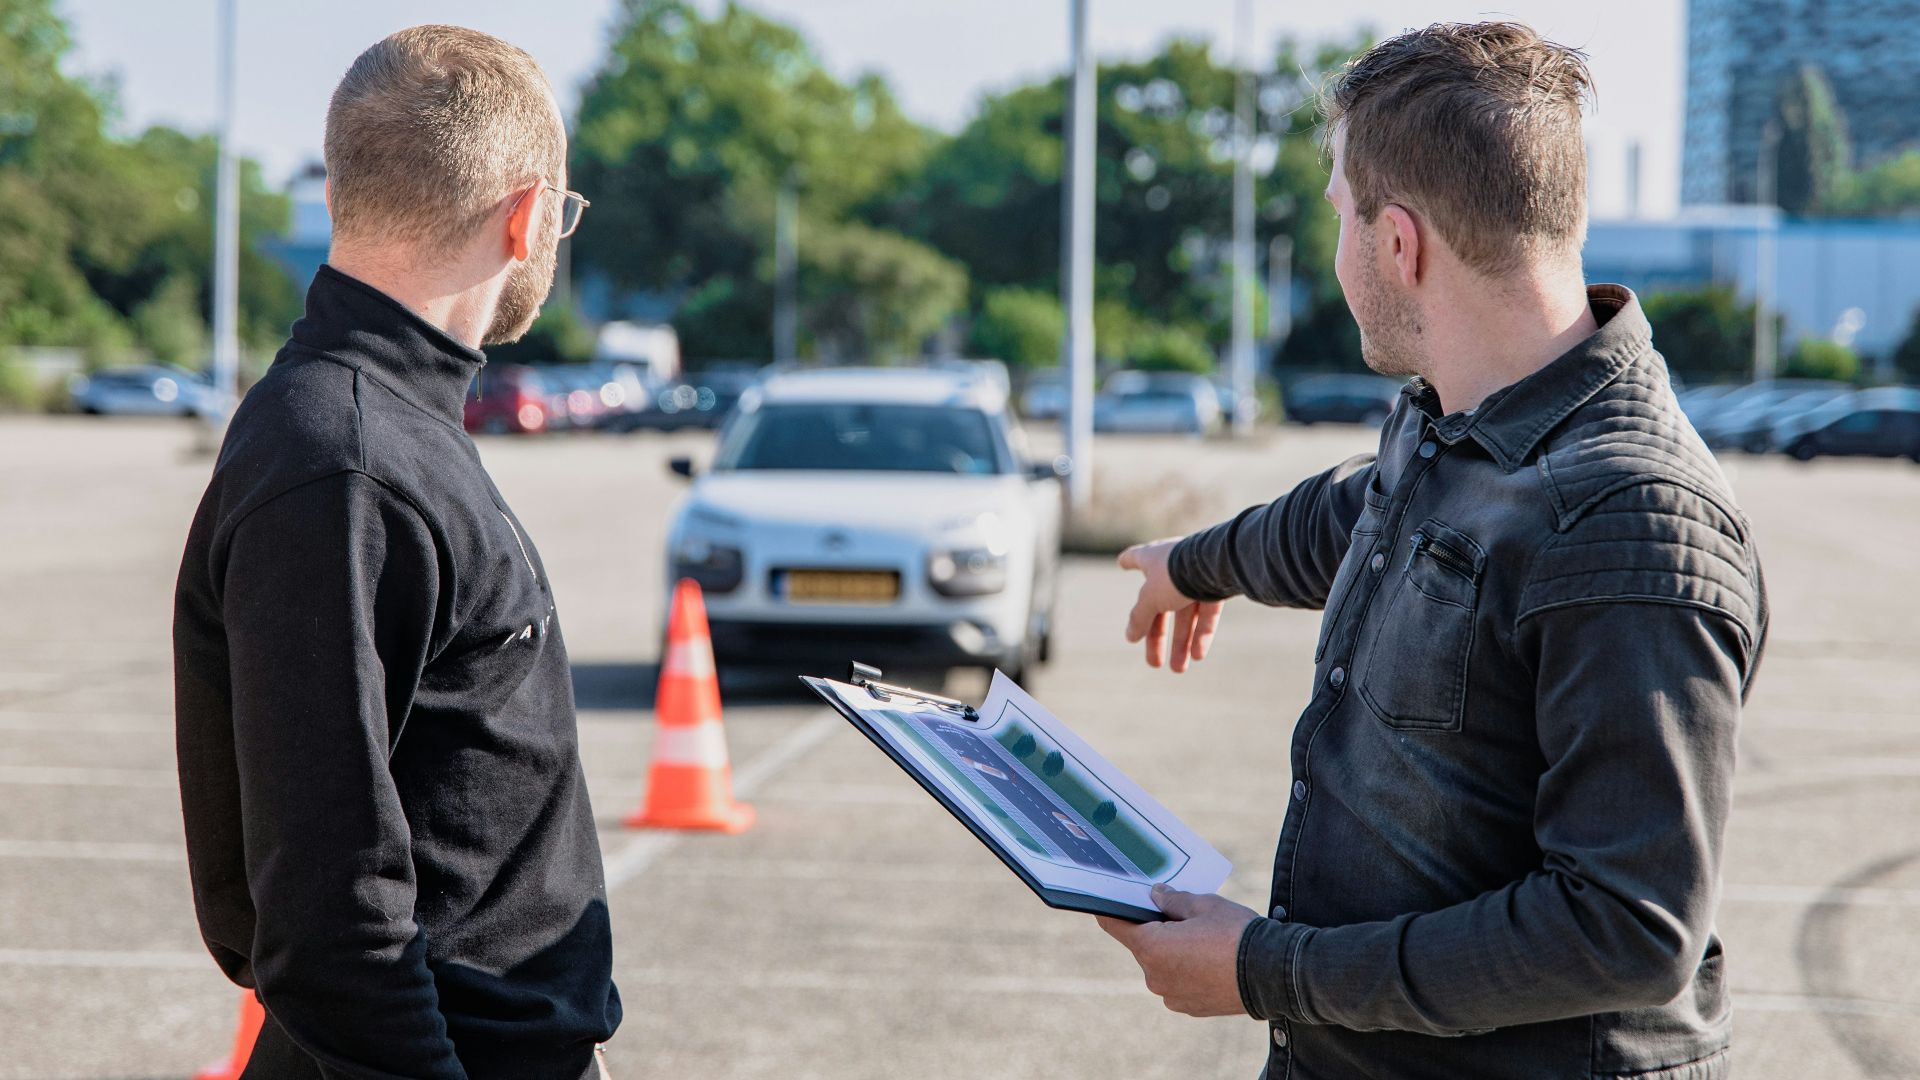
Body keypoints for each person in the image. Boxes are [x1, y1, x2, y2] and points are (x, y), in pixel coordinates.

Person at [1099, 22, 1766, 1080]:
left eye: (1338, 220)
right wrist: (1198, 560)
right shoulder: (1457, 420)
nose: (1336, 253)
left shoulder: (1632, 520)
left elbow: (1627, 929)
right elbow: (1359, 518)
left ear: (1398, 243)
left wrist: (1266, 971)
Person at [172, 26, 618, 1080]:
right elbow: (330, 919)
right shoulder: (347, 463)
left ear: (338, 198)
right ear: (527, 217)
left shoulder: (380, 431)